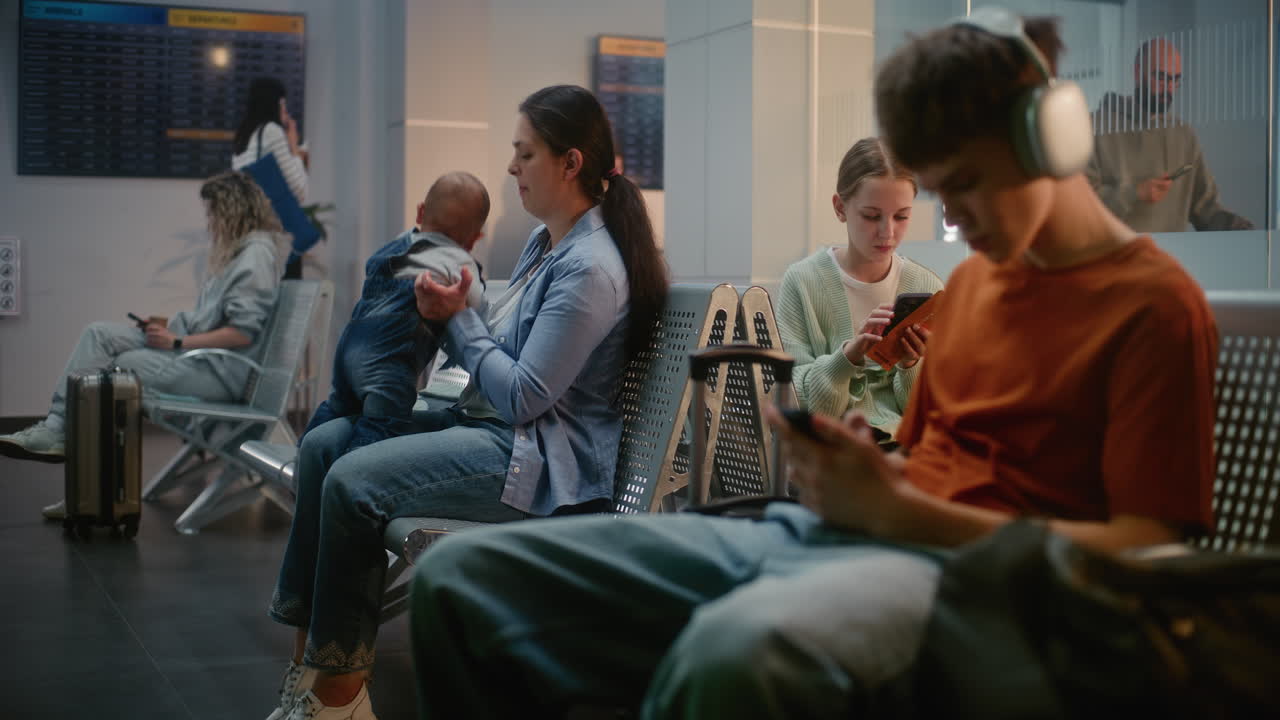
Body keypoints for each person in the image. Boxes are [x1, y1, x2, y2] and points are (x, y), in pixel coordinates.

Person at [407, 9, 1218, 720]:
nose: (955, 221)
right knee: (462, 580)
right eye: (939, 194)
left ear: (1053, 140)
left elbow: (1141, 551)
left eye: (966, 185)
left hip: (958, 580)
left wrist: (900, 512)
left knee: (735, 655)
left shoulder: (1151, 308)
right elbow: (930, 461)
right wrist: (861, 470)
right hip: (837, 534)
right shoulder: (975, 289)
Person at [262, 84, 668, 720]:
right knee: (321, 445)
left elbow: (524, 397)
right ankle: (308, 664)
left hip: (536, 463)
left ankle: (339, 696)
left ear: (570, 163)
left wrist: (458, 322)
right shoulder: (545, 244)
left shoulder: (589, 267)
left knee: (352, 480)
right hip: (492, 430)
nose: (511, 167)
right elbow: (499, 351)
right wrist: (451, 314)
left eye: (525, 154)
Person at [0, 172, 284, 516]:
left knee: (119, 374)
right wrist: (167, 330)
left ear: (231, 211)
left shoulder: (255, 257)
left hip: (218, 372)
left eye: (212, 213)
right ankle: (57, 428)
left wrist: (177, 340)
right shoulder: (240, 254)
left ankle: (90, 496)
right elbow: (215, 319)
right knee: (99, 334)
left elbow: (242, 333)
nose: (210, 223)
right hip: (197, 355)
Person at [301, 172, 489, 455]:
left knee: (336, 408)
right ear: (475, 238)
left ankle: (303, 460)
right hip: (388, 364)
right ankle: (350, 471)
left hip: (349, 350)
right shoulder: (458, 262)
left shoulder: (399, 245)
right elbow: (477, 305)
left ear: (420, 212)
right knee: (379, 430)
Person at [777, 137, 943, 443]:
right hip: (829, 451)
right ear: (840, 208)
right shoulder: (802, 282)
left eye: (901, 216)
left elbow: (931, 416)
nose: (887, 232)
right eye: (871, 216)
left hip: (902, 454)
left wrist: (910, 364)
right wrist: (848, 357)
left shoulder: (927, 288)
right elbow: (798, 404)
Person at [1086, 38, 1254, 232]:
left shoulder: (1184, 136)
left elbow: (1205, 208)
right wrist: (1134, 194)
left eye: (1175, 80)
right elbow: (1079, 207)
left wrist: (1239, 227)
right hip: (1115, 251)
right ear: (1138, 73)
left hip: (1171, 251)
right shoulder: (1096, 127)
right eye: (1161, 77)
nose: (1168, 89)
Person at [232, 77, 310, 277]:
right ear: (274, 103)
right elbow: (299, 190)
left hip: (249, 238)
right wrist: (294, 146)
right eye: (283, 104)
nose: (285, 110)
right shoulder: (271, 131)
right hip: (275, 241)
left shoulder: (244, 136)